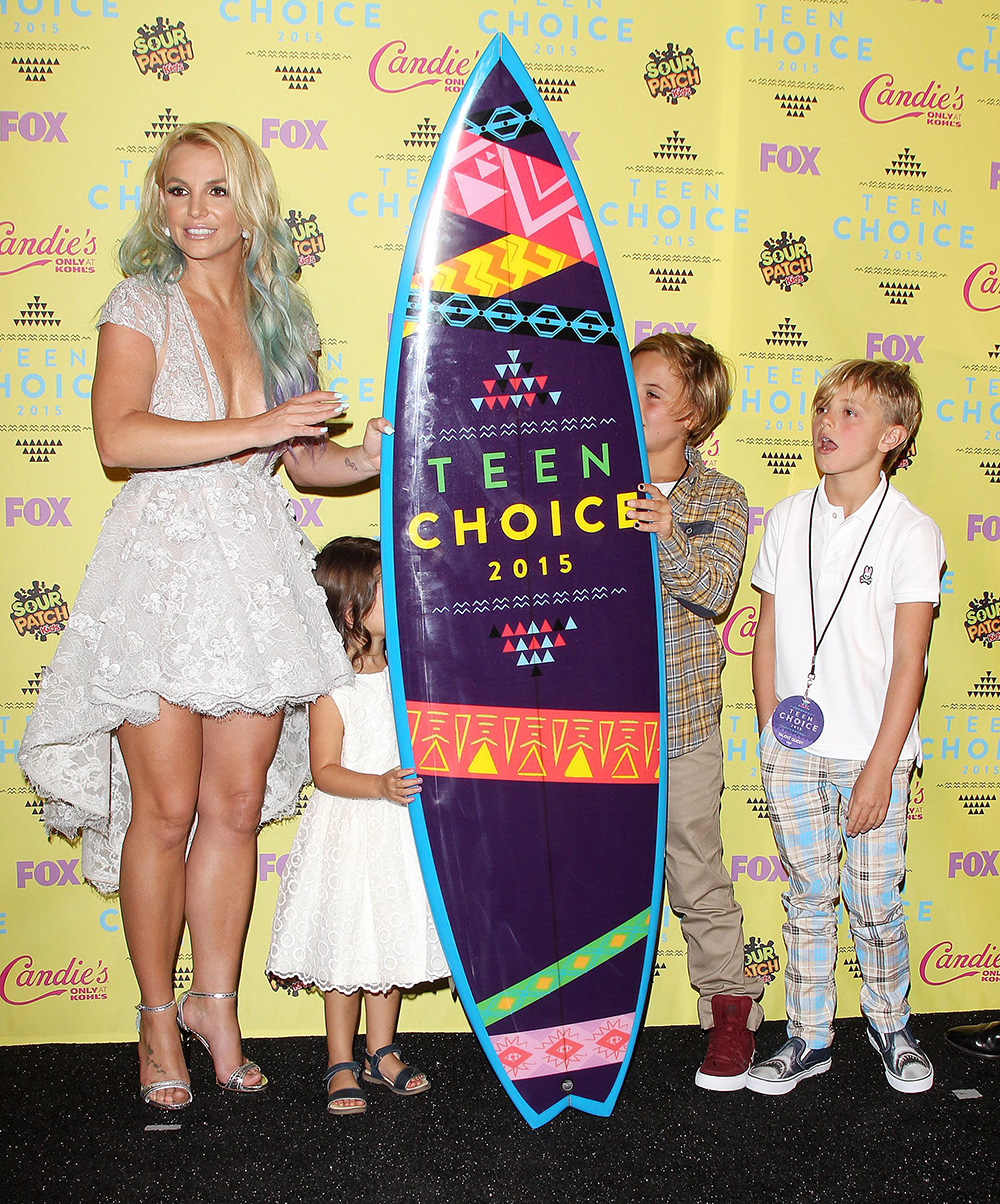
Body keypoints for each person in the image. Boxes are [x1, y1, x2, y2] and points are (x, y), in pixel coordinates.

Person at [18, 123, 391, 1111]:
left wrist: (371, 458)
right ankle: (153, 1015)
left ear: (250, 203)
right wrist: (262, 426)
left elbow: (304, 461)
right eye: (176, 192)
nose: (193, 212)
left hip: (257, 574)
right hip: (163, 575)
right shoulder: (139, 301)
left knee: (232, 811)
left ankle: (214, 1005)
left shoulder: (285, 313)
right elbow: (119, 435)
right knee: (166, 810)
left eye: (215, 191)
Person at [747, 360, 944, 1096]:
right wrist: (772, 731)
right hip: (794, 751)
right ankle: (807, 1038)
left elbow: (910, 662)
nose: (828, 423)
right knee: (806, 900)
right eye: (824, 409)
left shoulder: (911, 532)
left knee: (875, 900)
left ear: (894, 436)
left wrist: (878, 767)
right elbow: (766, 633)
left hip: (873, 754)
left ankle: (892, 1027)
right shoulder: (788, 516)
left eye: (851, 413)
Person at [625, 333, 763, 1090]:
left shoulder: (721, 498)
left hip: (681, 730)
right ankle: (589, 1014)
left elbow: (714, 594)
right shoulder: (586, 480)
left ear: (695, 416)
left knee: (699, 876)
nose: (631, 401)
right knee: (593, 878)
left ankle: (730, 1014)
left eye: (650, 394)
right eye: (629, 386)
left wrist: (667, 534)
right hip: (599, 732)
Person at [267, 536, 447, 1115]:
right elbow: (324, 771)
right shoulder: (332, 687)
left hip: (399, 833)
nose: (398, 599)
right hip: (349, 833)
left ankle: (382, 1051)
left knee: (390, 942)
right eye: (383, 593)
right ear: (350, 611)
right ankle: (339, 1059)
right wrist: (377, 786)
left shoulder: (406, 671)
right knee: (345, 953)